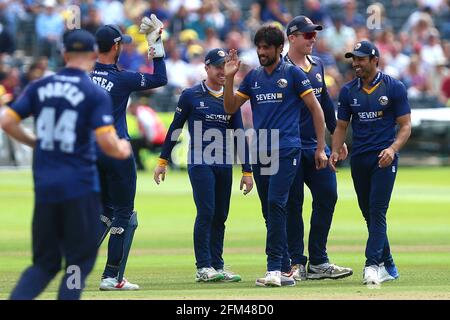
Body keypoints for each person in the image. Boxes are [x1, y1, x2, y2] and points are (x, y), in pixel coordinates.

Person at [0, 29, 131, 300]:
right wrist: (122, 149)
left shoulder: (40, 86)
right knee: (78, 262)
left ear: (64, 54)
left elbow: (7, 121)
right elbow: (107, 142)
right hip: (79, 189)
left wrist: (34, 142)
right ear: (94, 54)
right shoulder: (94, 94)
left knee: (43, 265)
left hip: (46, 189)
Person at [223, 25, 328, 287]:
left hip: (287, 148)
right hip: (261, 149)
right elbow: (230, 107)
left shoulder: (292, 74)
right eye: (258, 47)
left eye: (266, 48)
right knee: (268, 211)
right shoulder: (253, 77)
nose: (261, 52)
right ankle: (283, 268)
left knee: (276, 203)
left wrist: (319, 147)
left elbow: (317, 110)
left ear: (279, 48)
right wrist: (229, 79)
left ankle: (273, 270)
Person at [154, 48, 254, 283]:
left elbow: (239, 134)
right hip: (200, 161)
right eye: (218, 67)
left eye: (225, 66)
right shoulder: (190, 95)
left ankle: (217, 266)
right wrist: (162, 160)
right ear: (206, 68)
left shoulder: (232, 97)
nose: (222, 71)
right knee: (207, 211)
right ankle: (203, 267)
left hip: (224, 162)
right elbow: (175, 128)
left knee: (220, 215)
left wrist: (247, 170)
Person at [92, 16, 167, 291]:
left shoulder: (83, 76)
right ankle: (112, 277)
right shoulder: (122, 79)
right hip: (117, 150)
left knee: (104, 212)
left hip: (90, 152)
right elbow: (160, 77)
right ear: (115, 46)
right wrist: (155, 43)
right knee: (124, 213)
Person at [329, 41, 412, 285]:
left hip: (384, 159)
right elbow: (341, 126)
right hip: (359, 159)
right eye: (353, 59)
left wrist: (392, 149)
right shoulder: (347, 91)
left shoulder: (393, 87)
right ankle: (390, 266)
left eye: (361, 59)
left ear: (375, 60)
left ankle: (372, 265)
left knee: (377, 212)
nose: (355, 63)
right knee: (369, 214)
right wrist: (335, 151)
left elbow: (406, 125)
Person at [284, 16, 353, 281]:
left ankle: (318, 261)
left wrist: (337, 136)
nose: (313, 39)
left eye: (314, 35)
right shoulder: (280, 68)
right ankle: (296, 261)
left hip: (315, 145)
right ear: (292, 37)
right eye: (307, 35)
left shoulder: (318, 65)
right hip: (289, 146)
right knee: (293, 204)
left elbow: (324, 101)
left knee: (328, 194)